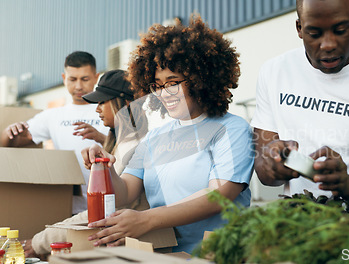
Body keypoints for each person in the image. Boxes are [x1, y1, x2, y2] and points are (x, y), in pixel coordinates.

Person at [83, 15, 253, 253]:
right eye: (157, 85)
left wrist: (147, 219)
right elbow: (126, 193)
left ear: (201, 79)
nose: (164, 93)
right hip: (164, 253)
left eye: (173, 82)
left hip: (214, 254)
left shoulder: (232, 129)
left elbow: (219, 195)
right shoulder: (155, 137)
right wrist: (104, 166)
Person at [251, 0, 349, 200]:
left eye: (339, 30)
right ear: (299, 28)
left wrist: (345, 181)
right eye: (315, 34)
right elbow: (263, 172)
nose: (328, 45)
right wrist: (274, 165)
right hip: (297, 216)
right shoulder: (274, 72)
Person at [23, 69, 149, 258]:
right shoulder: (122, 141)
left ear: (127, 103)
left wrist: (39, 242)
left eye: (102, 102)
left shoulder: (135, 144)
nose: (97, 108)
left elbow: (107, 211)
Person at [0, 51, 109, 214]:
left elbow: (127, 148)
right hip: (68, 206)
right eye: (73, 79)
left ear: (96, 77)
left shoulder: (108, 110)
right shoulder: (53, 115)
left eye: (84, 79)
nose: (78, 86)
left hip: (108, 202)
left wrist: (101, 138)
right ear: (64, 78)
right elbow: (14, 142)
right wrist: (9, 132)